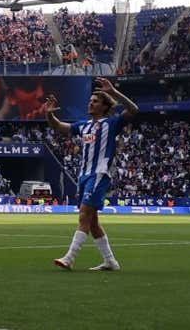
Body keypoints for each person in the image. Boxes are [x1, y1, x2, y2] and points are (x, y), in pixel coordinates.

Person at [45, 76, 139, 272]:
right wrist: (49, 115)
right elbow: (60, 127)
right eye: (90, 100)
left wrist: (113, 92)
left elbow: (133, 110)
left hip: (99, 173)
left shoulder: (111, 124)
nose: (91, 103)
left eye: (95, 101)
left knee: (84, 215)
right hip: (84, 175)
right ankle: (110, 261)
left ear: (105, 106)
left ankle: (70, 258)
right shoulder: (83, 125)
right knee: (93, 222)